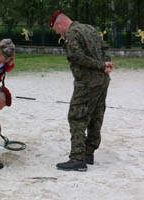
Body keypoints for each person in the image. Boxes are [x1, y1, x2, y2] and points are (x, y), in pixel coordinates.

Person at [49, 10, 114, 171]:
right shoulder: (90, 28)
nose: (58, 33)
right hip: (102, 80)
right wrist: (106, 62)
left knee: (76, 117)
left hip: (87, 82)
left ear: (59, 24)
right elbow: (105, 46)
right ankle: (89, 153)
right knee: (96, 115)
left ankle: (78, 158)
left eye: (56, 29)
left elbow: (78, 58)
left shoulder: (71, 35)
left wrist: (101, 65)